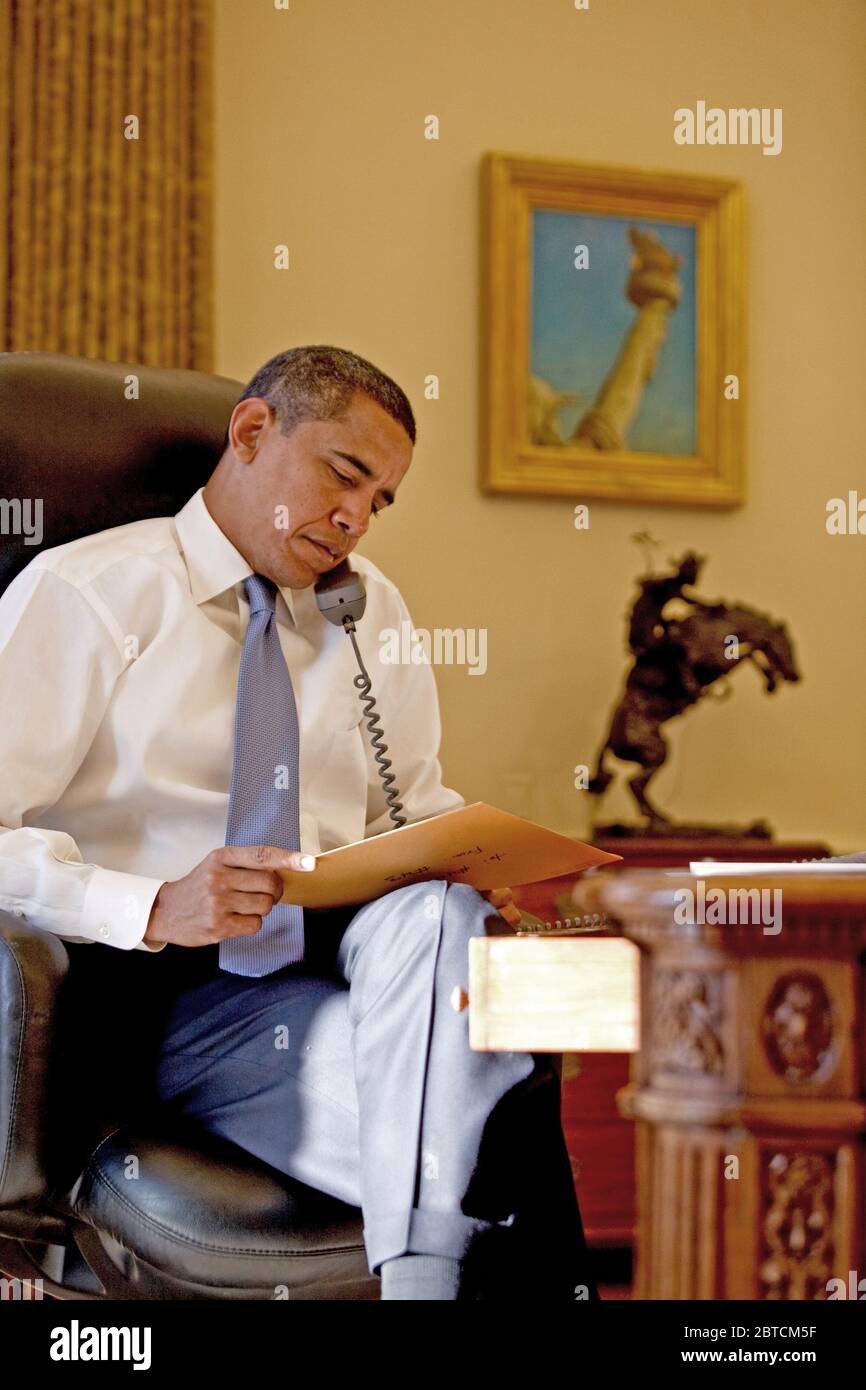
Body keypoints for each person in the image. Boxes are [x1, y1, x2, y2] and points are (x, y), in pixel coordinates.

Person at [0, 344, 596, 1301]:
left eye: (381, 500)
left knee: (445, 925)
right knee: (485, 1141)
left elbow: (407, 806)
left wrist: (491, 864)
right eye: (345, 474)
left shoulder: (371, 613)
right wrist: (151, 903)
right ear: (250, 433)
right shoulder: (88, 594)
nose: (357, 517)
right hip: (143, 1004)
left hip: (332, 991)